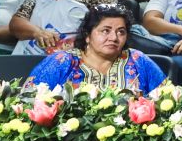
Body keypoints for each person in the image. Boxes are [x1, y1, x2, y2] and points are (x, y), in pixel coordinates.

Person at [27, 5, 166, 92]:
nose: (114, 38)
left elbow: (167, 99)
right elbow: (28, 101)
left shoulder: (137, 60)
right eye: (105, 31)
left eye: (121, 32)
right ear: (87, 35)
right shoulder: (61, 61)